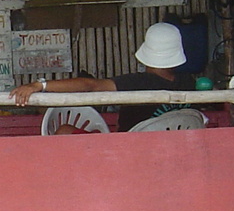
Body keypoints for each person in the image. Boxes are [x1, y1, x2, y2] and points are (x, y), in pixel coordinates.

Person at [10, 22, 194, 131]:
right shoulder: (189, 83)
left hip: (131, 152)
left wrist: (39, 85)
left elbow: (91, 85)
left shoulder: (138, 82)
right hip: (178, 152)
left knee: (65, 130)